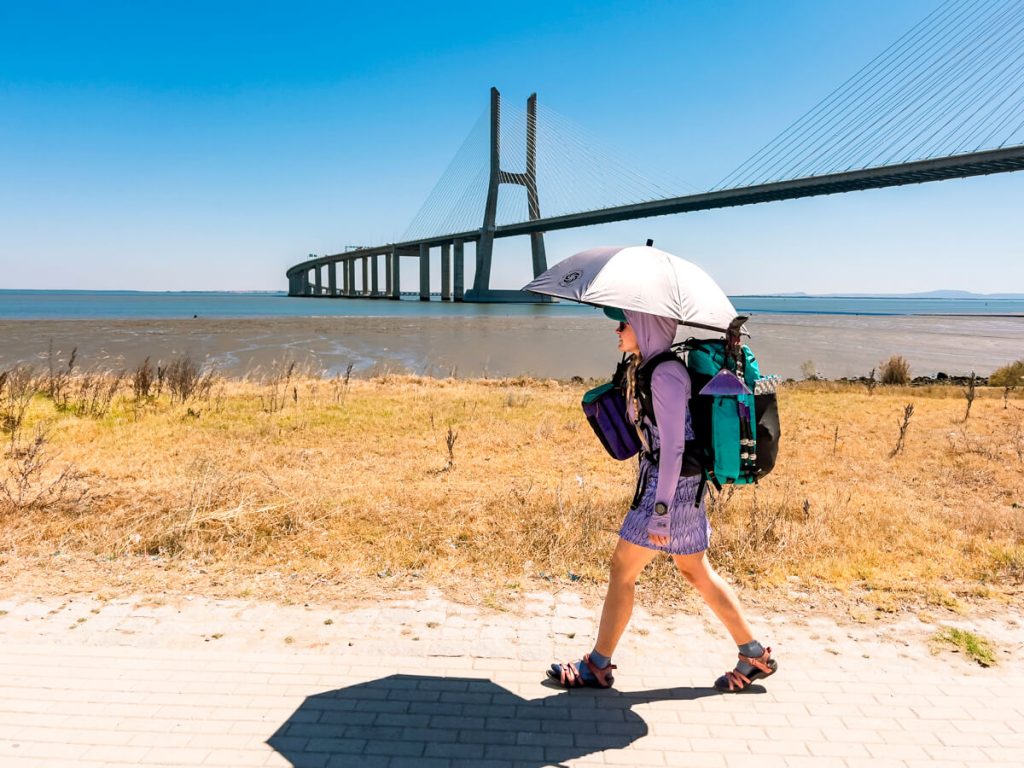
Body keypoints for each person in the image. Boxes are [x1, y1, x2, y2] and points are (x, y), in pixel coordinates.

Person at [548, 307, 777, 692]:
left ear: (644, 327)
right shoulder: (646, 367)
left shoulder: (666, 374)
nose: (617, 331)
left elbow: (672, 448)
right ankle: (754, 654)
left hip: (669, 490)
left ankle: (597, 665)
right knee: (695, 571)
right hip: (671, 485)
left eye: (623, 323)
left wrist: (660, 512)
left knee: (623, 569)